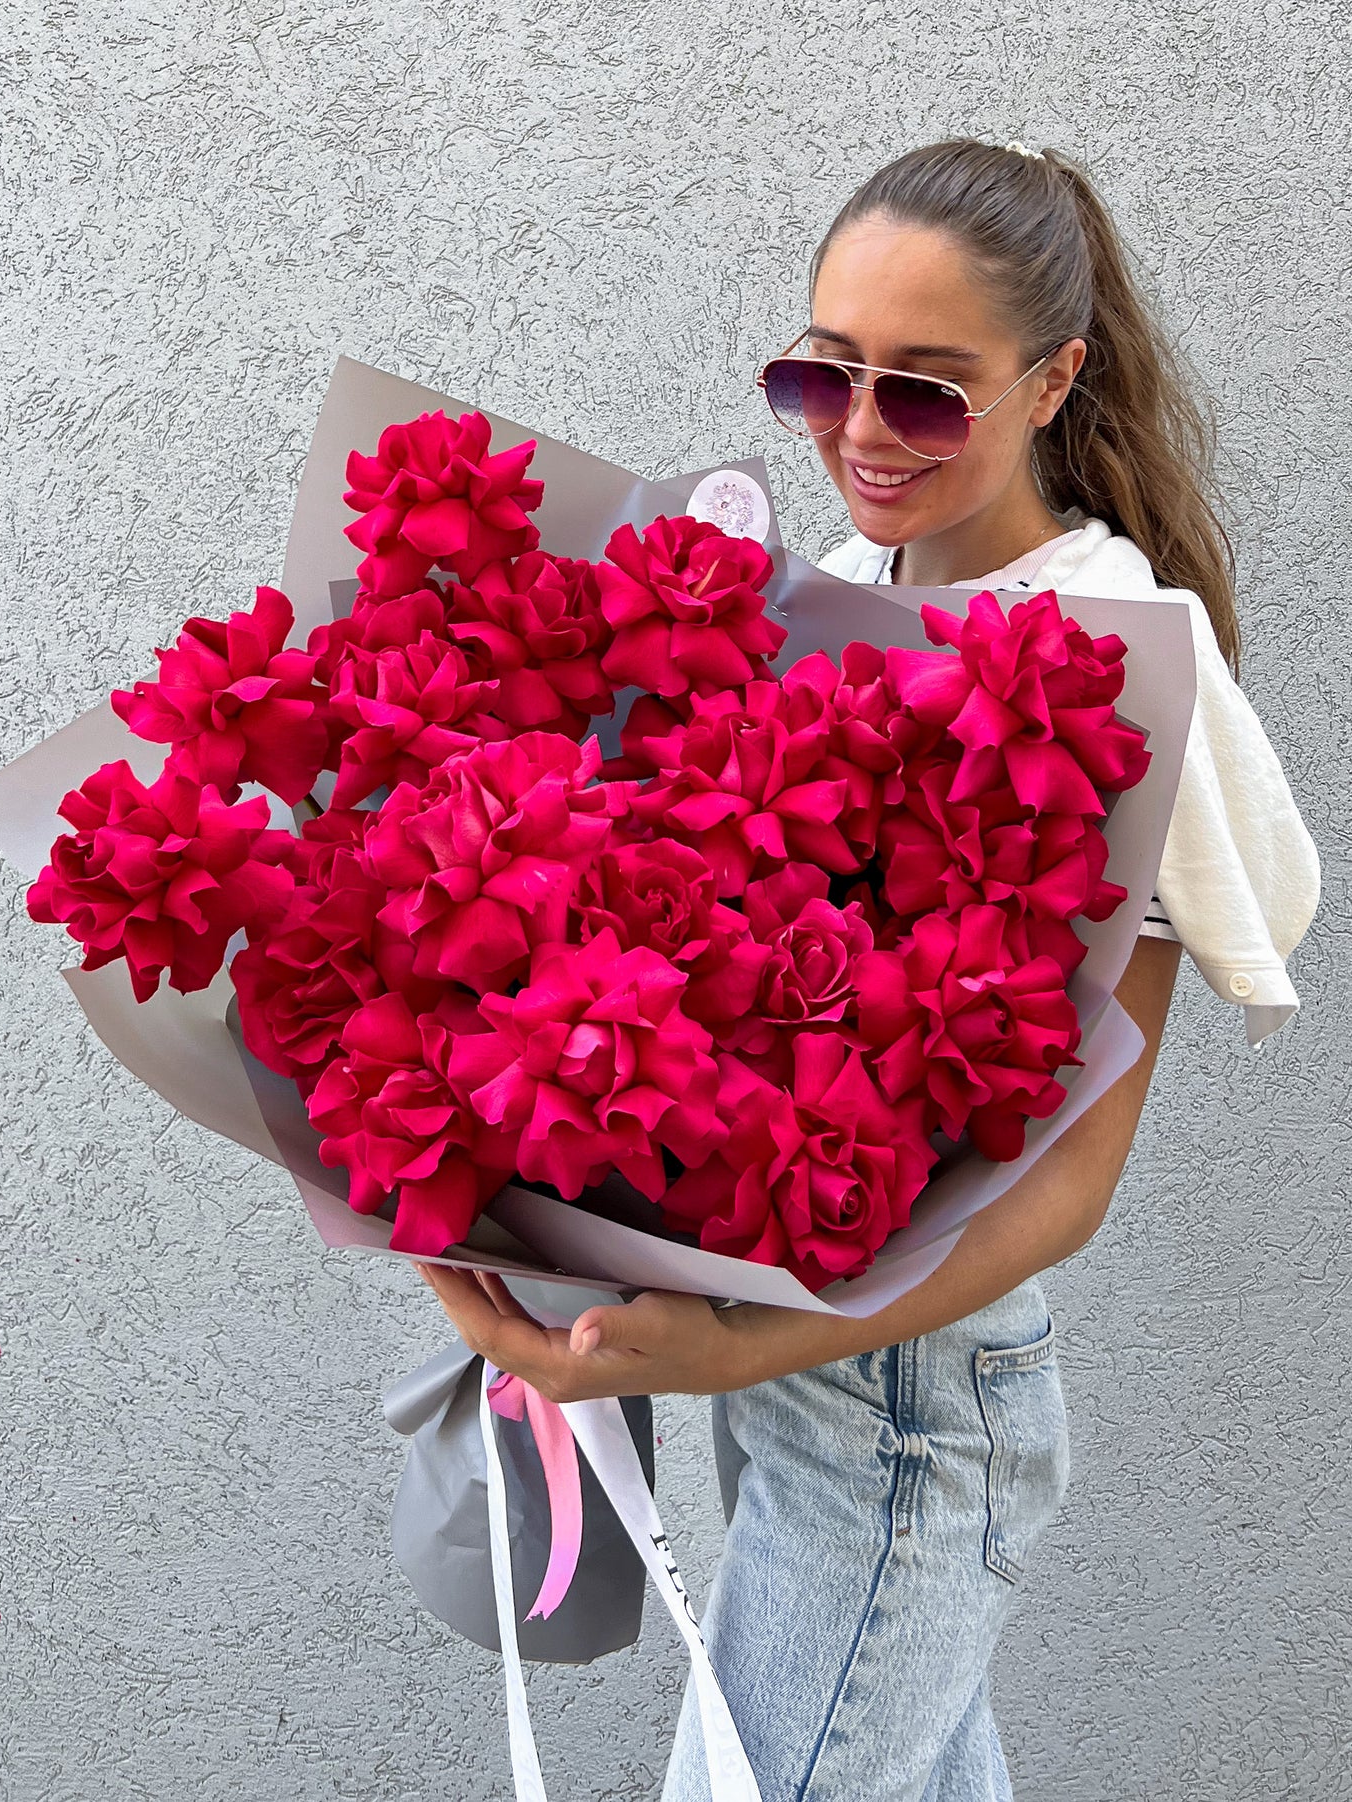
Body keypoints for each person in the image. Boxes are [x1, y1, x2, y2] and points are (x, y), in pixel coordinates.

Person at [413, 137, 1320, 1800]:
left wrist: (732, 1349)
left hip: (904, 1407)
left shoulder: (1118, 659)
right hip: (798, 1395)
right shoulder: (843, 598)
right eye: (820, 374)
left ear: (1053, 381)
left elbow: (1061, 1188)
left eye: (927, 392)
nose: (856, 433)